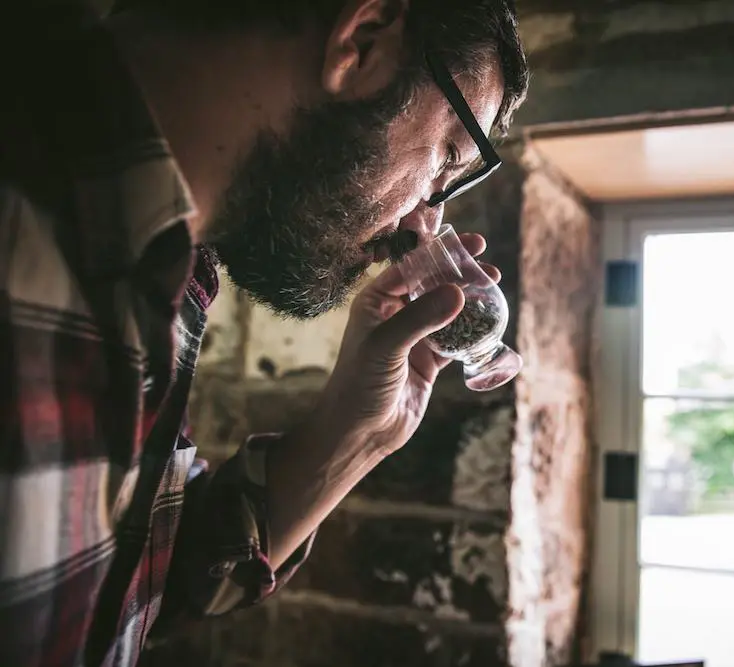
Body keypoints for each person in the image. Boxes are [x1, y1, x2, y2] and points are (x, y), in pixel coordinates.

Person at [0, 0, 528, 664]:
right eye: (446, 158)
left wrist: (354, 435)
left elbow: (138, 576)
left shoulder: (172, 274)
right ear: (364, 42)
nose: (422, 226)